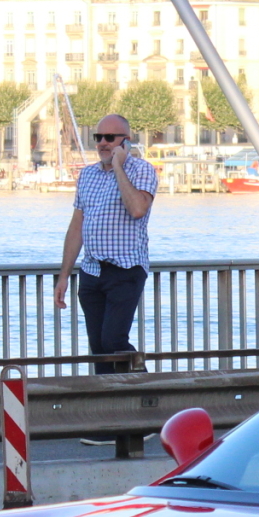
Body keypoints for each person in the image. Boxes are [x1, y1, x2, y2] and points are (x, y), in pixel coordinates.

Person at [55, 114, 159, 373]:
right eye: (98, 137)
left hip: (125, 270)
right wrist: (64, 276)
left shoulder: (142, 170)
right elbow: (76, 226)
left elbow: (137, 209)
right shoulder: (87, 175)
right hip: (91, 272)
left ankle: (146, 391)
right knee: (99, 349)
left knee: (114, 341)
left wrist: (119, 168)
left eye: (110, 138)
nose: (102, 143)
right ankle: (111, 401)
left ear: (126, 142)